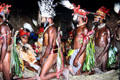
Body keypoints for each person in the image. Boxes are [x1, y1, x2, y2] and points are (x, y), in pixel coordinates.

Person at [37, 0, 63, 80]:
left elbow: (50, 45)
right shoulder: (48, 27)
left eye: (42, 17)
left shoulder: (51, 28)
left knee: (41, 77)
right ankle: (57, 71)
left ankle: (62, 72)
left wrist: (43, 57)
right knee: (40, 73)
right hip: (48, 52)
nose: (41, 18)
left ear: (48, 17)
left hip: (51, 53)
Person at [67, 5, 90, 75]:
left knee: (77, 74)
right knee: (71, 71)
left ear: (79, 17)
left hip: (80, 52)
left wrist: (77, 57)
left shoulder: (84, 29)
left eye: (75, 16)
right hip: (74, 51)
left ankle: (89, 73)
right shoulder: (77, 28)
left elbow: (84, 44)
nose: (74, 18)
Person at [93, 6, 110, 71]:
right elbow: (94, 39)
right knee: (95, 68)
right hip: (96, 49)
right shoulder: (96, 28)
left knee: (103, 70)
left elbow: (108, 44)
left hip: (103, 50)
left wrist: (102, 54)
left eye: (97, 18)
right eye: (95, 18)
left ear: (102, 18)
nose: (95, 20)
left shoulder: (106, 29)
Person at [0, 3, 12, 80]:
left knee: (6, 77)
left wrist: (1, 61)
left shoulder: (3, 27)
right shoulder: (2, 25)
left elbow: (5, 45)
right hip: (4, 54)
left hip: (5, 55)